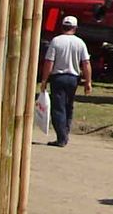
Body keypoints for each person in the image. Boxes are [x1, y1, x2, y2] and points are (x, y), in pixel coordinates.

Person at [39, 15, 91, 147]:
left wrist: (44, 79)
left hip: (58, 77)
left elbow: (49, 62)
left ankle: (61, 137)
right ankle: (65, 132)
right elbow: (86, 63)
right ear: (75, 28)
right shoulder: (80, 43)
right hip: (73, 78)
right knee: (69, 106)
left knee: (58, 107)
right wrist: (88, 82)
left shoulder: (56, 41)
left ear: (62, 26)